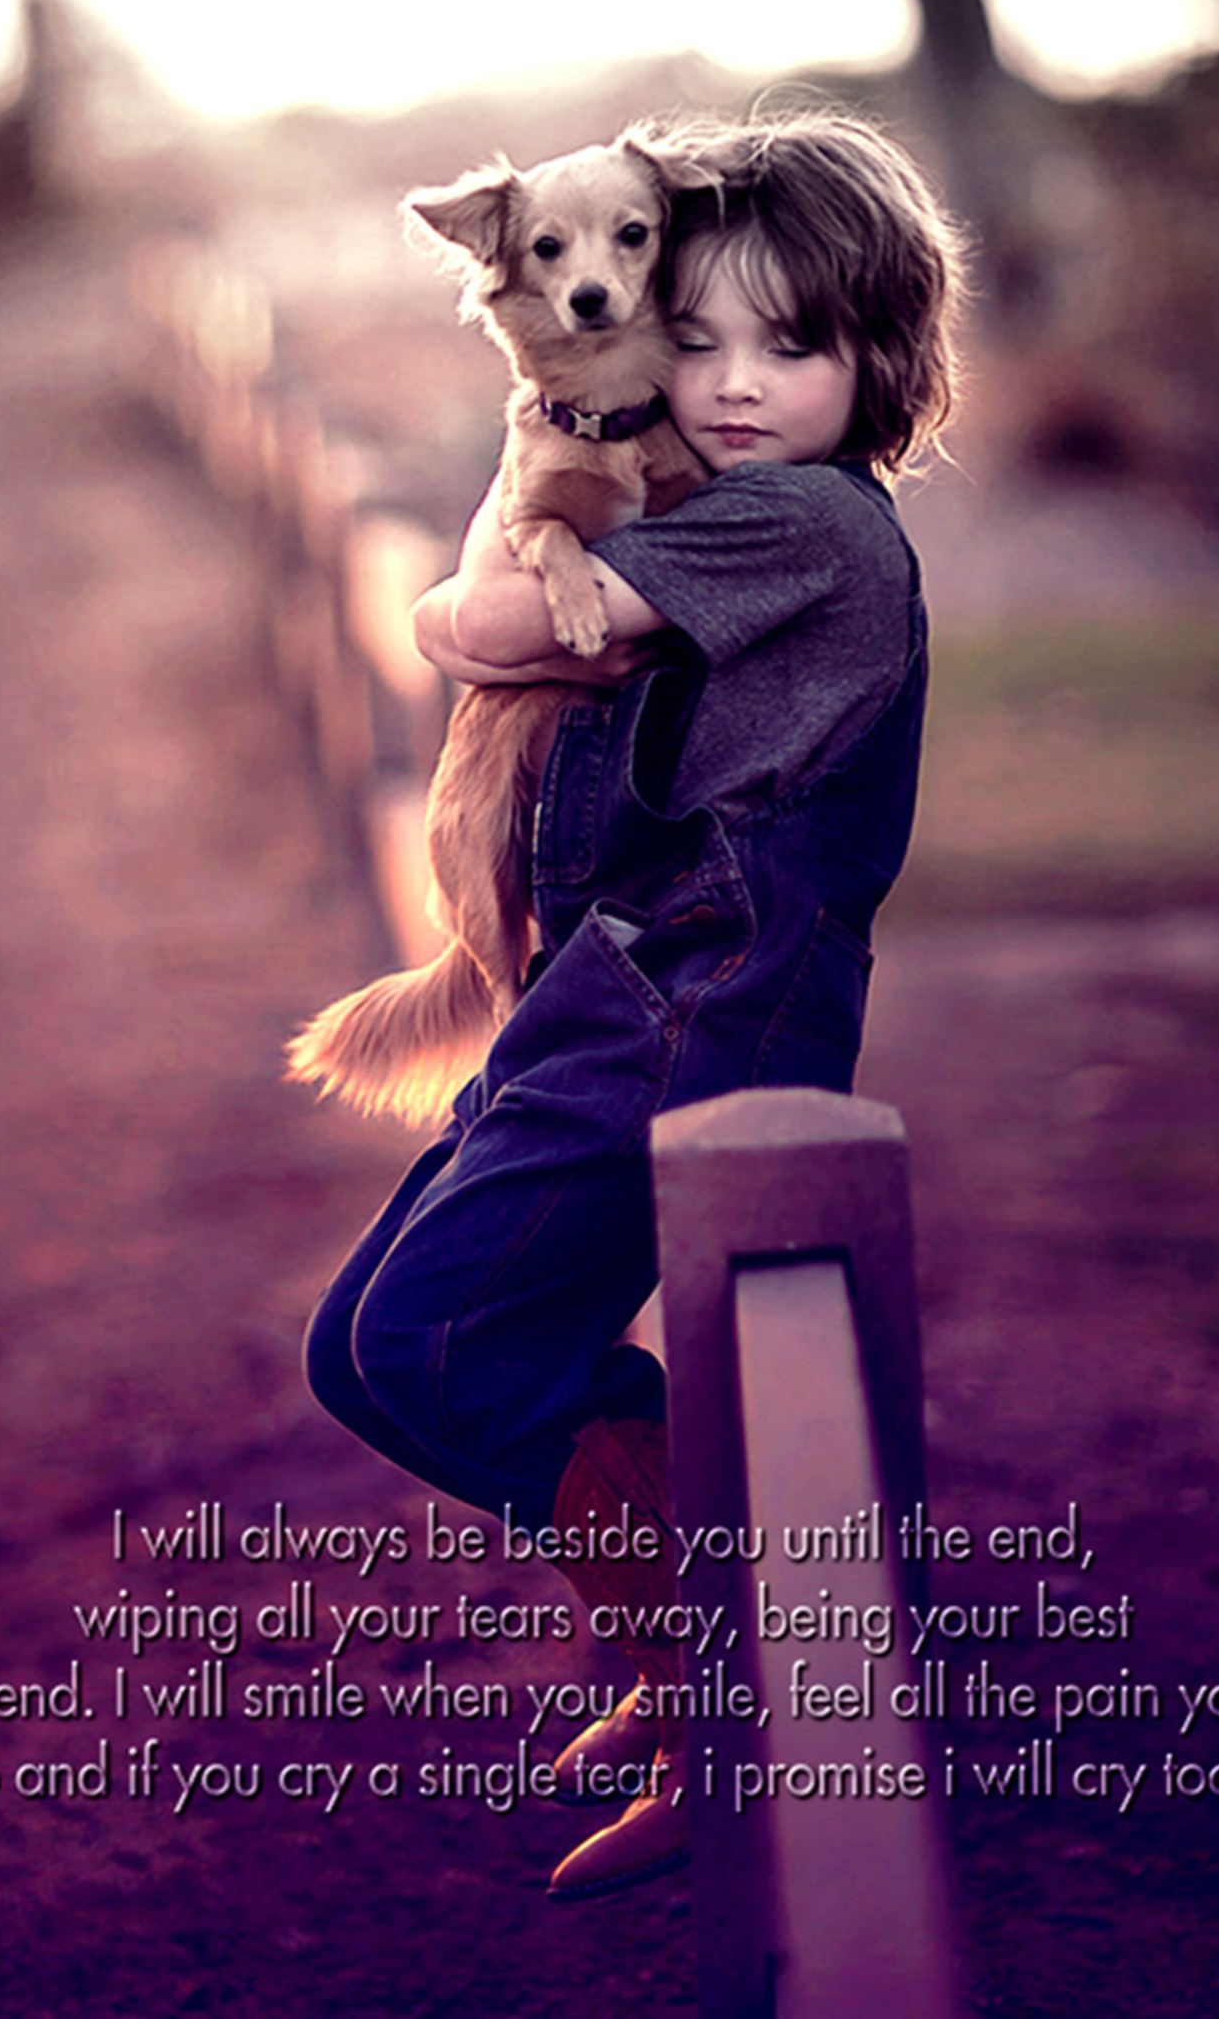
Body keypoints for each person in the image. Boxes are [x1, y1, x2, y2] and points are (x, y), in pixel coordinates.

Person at [303, 108, 963, 1899]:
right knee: (365, 1338)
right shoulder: (725, 494)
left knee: (428, 1345)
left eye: (793, 346)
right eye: (702, 337)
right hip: (620, 978)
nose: (734, 386)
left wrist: (468, 582)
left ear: (880, 355)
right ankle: (700, 1653)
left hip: (710, 997)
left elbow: (488, 628)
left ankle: (730, 1687)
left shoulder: (808, 526)